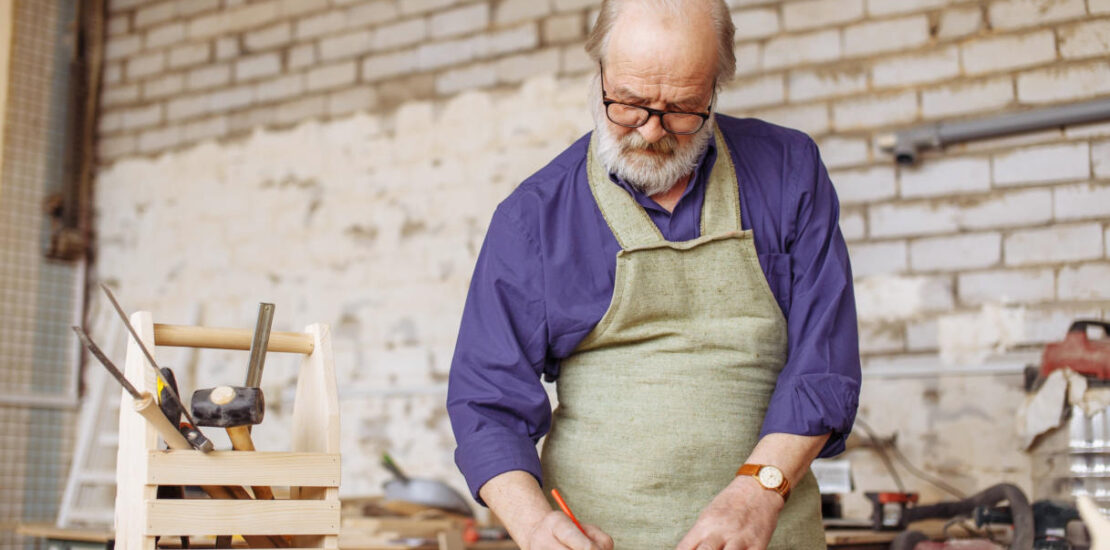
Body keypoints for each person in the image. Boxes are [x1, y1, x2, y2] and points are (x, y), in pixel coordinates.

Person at [446, 1, 861, 548]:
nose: (651, 130)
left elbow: (824, 367)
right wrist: (533, 523)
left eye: (683, 109)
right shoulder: (534, 218)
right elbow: (486, 403)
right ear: (599, 72)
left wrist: (759, 492)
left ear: (716, 87)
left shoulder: (788, 173)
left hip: (771, 530)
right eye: (629, 103)